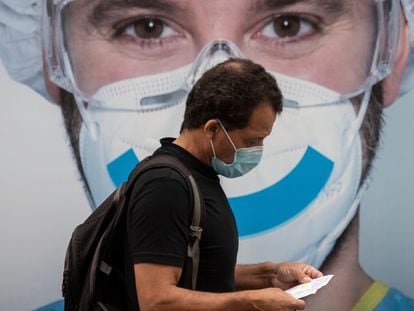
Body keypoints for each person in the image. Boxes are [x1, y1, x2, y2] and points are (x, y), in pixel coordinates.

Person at [1, 0, 414, 310]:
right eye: (146, 28)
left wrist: (269, 275)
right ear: (51, 57)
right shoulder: (166, 182)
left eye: (289, 25)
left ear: (393, 51)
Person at [123, 57, 322, 311]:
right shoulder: (165, 184)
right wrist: (251, 302)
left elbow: (202, 270)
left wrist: (270, 275)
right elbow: (156, 301)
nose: (258, 151)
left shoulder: (198, 176)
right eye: (251, 141)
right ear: (213, 129)